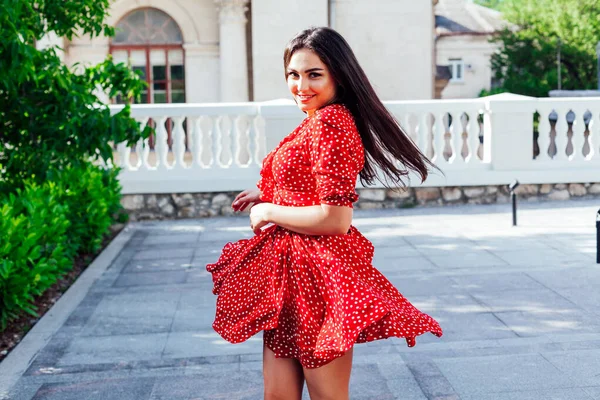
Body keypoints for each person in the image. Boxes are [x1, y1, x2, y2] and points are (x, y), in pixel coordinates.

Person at [207, 27, 442, 400]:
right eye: (293, 74)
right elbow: (310, 181)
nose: (302, 85)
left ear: (339, 74)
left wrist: (269, 208)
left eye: (314, 74)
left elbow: (336, 218)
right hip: (289, 279)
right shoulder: (316, 120)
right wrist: (269, 190)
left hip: (317, 280)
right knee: (278, 395)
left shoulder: (332, 123)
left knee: (326, 395)